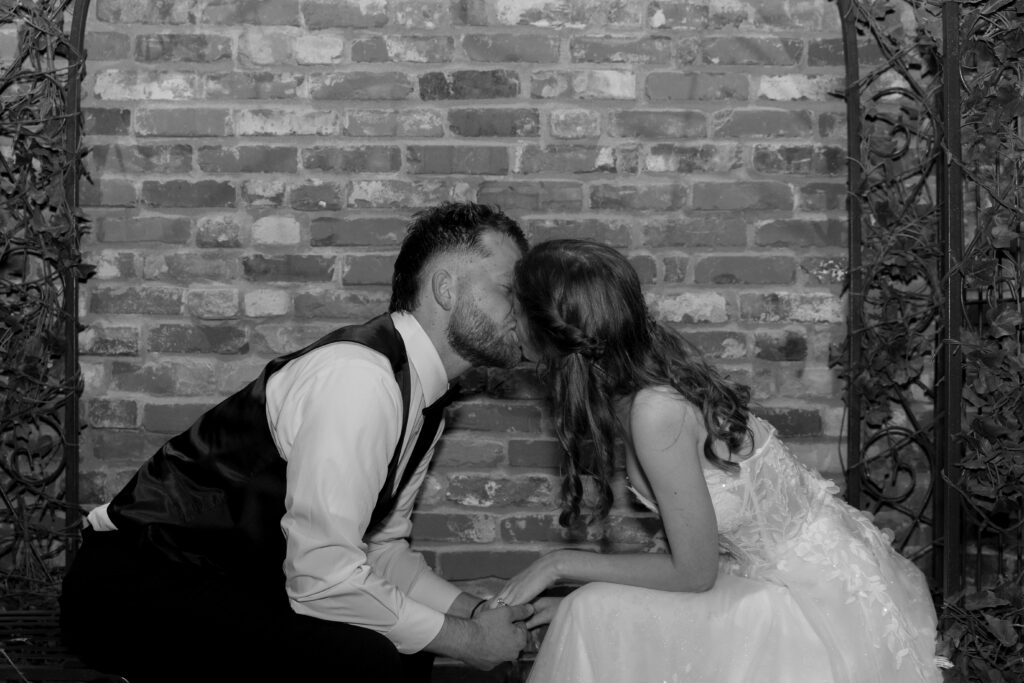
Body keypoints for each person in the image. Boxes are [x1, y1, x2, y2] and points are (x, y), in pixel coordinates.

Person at [59, 202, 535, 683]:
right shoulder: (361, 379)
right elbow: (323, 579)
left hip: (223, 583)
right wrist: (469, 640)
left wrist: (475, 614)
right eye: (508, 290)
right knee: (372, 658)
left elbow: (380, 551)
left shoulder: (425, 399)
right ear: (446, 288)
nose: (523, 310)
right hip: (137, 582)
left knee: (406, 644)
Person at [497, 239, 944, 682]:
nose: (509, 319)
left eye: (515, 307)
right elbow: (695, 547)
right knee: (586, 612)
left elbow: (694, 573)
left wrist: (558, 564)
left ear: (552, 331)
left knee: (587, 608)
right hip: (750, 575)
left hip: (806, 599)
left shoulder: (655, 410)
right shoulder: (641, 384)